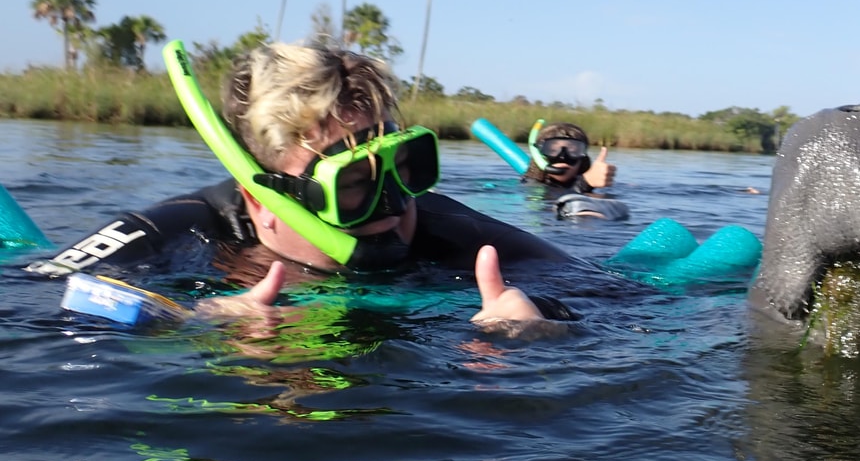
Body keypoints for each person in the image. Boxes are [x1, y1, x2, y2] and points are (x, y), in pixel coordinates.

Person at [26, 41, 577, 330]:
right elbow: (36, 311)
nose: (394, 206)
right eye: (354, 185)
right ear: (262, 204)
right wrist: (181, 326)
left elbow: (631, 304)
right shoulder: (175, 233)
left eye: (402, 166)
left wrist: (542, 326)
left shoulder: (452, 232)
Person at [522, 121, 627, 220]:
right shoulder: (531, 185)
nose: (562, 157)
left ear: (582, 158)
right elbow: (549, 200)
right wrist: (585, 183)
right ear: (539, 156)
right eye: (553, 150)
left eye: (573, 150)